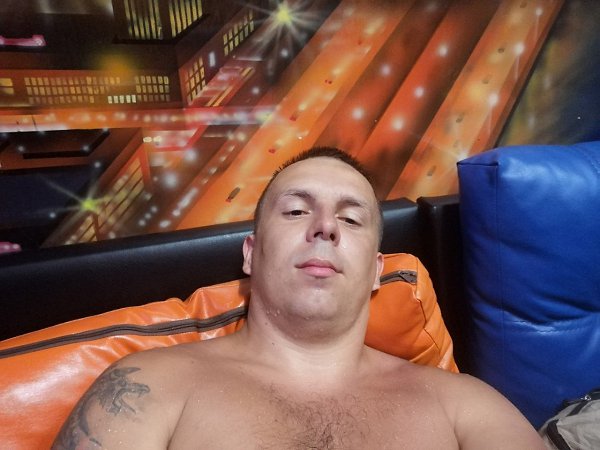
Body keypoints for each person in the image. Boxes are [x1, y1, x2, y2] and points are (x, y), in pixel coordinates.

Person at [52, 147, 544, 449]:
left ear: (376, 271)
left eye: (351, 219)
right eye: (294, 211)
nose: (325, 226)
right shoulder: (147, 387)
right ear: (251, 254)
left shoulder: (464, 407)